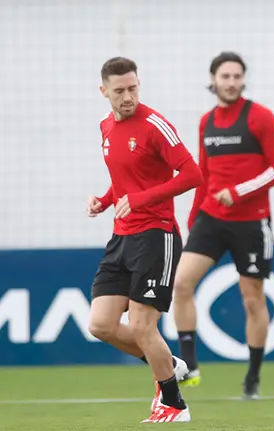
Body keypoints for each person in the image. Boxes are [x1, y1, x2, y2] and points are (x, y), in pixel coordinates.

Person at [86, 57, 203, 423]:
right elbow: (125, 177)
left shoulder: (155, 125)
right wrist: (105, 200)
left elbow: (192, 174)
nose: (127, 97)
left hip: (157, 235)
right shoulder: (106, 126)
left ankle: (174, 403)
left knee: (142, 325)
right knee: (101, 325)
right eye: (119, 90)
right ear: (104, 91)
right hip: (121, 237)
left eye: (133, 88)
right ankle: (168, 362)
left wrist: (139, 199)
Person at [173, 52, 274, 398]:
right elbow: (204, 175)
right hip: (211, 219)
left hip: (251, 223)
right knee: (180, 284)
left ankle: (252, 378)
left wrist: (238, 192)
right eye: (225, 76)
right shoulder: (206, 121)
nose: (232, 82)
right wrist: (194, 218)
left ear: (243, 79)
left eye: (237, 76)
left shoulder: (260, 117)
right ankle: (190, 366)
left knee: (252, 299)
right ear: (214, 79)